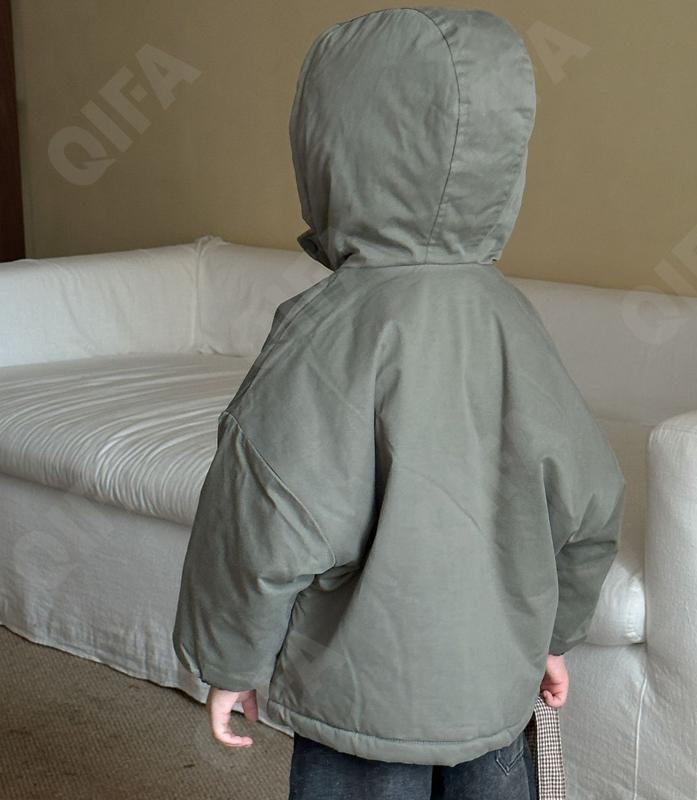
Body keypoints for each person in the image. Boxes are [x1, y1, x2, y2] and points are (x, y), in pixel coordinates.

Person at [172, 6, 626, 800]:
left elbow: (264, 510)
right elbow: (590, 497)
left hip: (362, 698)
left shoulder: (328, 329)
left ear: (329, 152)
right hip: (495, 686)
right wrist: (554, 636)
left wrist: (230, 659)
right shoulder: (513, 320)